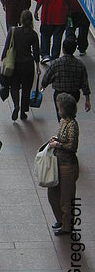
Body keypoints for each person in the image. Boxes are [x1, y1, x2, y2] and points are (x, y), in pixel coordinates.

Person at [46, 93, 80, 237]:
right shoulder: (63, 122)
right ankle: (60, 219)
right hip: (58, 163)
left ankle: (67, 226)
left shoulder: (72, 124)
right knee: (53, 193)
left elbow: (72, 146)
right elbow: (64, 138)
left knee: (66, 197)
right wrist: (57, 139)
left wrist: (57, 144)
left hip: (68, 165)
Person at [0, 9, 40, 121]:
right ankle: (23, 112)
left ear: (21, 19)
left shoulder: (13, 31)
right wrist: (37, 65)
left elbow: (7, 46)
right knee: (26, 89)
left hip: (15, 64)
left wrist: (3, 59)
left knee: (14, 86)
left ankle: (16, 105)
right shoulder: (33, 34)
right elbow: (36, 51)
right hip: (28, 64)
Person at [41, 38, 91, 118]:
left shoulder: (56, 63)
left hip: (59, 94)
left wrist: (43, 85)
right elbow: (85, 83)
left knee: (61, 115)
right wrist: (87, 100)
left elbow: (47, 77)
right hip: (74, 94)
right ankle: (70, 124)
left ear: (63, 49)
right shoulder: (80, 64)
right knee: (70, 113)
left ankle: (63, 127)